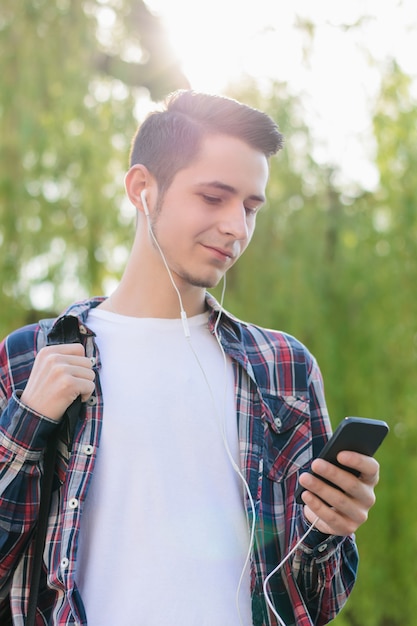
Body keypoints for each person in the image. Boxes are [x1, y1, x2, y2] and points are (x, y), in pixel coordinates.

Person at [0, 90, 380, 626]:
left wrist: (332, 532)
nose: (237, 228)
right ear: (141, 188)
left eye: (250, 207)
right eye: (213, 197)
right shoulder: (32, 358)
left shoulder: (283, 369)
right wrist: (30, 421)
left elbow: (311, 602)